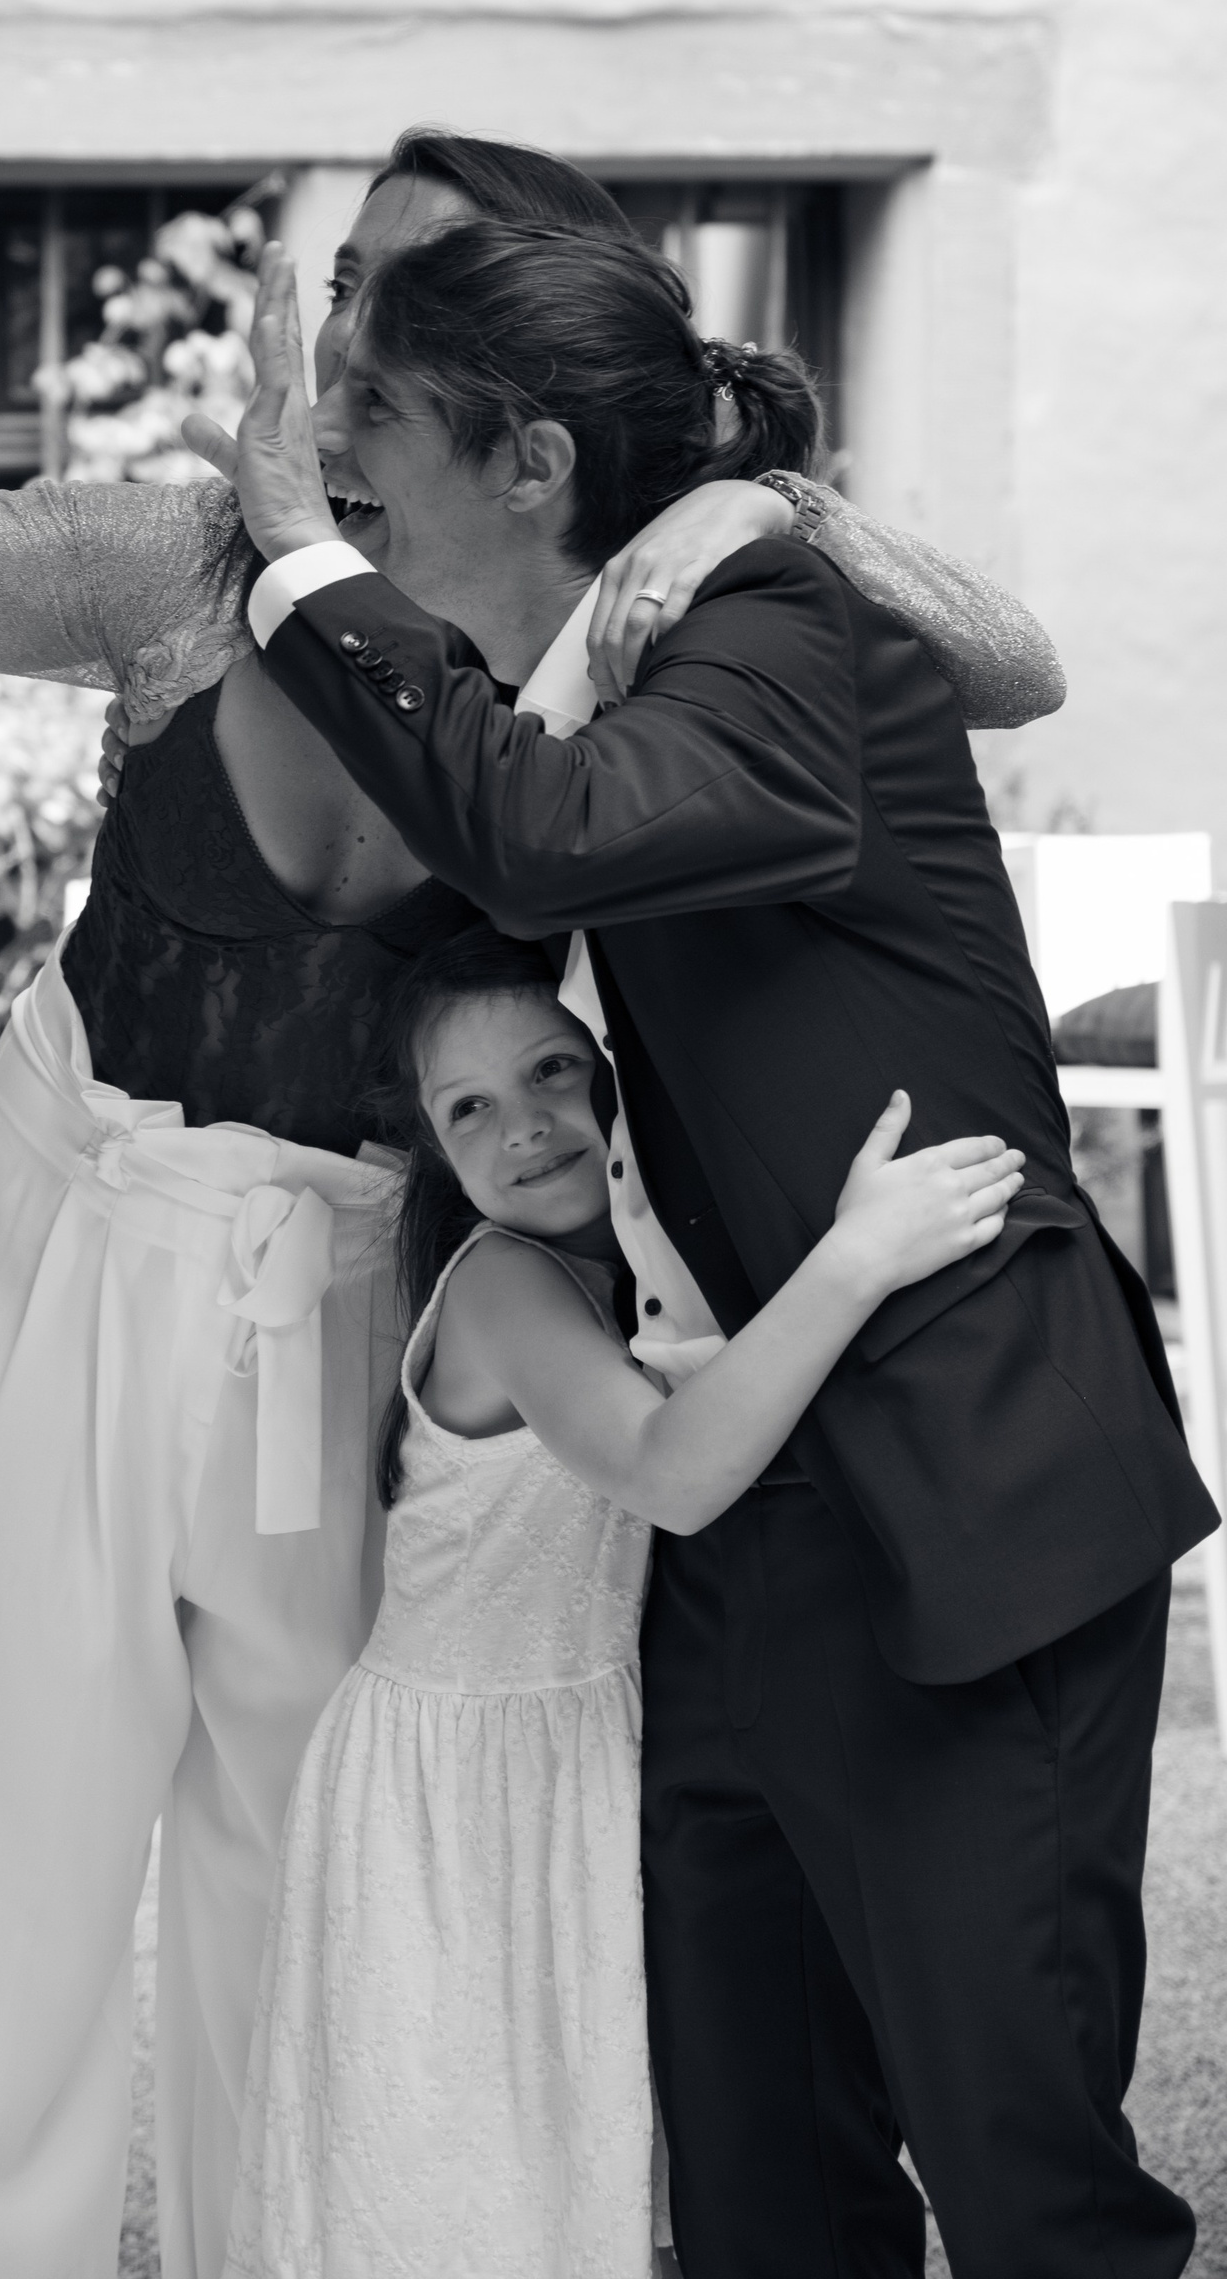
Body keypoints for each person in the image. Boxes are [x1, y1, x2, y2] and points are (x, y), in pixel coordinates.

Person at [0, 128, 1063, 2279]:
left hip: (365, 1299)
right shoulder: (172, 558)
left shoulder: (623, 609)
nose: (345, 354)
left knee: (323, 1898)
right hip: (63, 1244)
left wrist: (738, 488)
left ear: (530, 383)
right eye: (345, 293)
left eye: (414, 311)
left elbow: (1003, 663)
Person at [206, 212, 1219, 2276]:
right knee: (761, 2188)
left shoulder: (768, 630)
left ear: (533, 465)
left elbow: (549, 839)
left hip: (963, 1496)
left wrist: (304, 551)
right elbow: (413, 899)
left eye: (371, 411)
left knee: (1024, 2185)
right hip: (732, 1533)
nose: (325, 447)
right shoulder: (582, 682)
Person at [225, 928, 1026, 2279]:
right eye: (467, 1108)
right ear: (432, 1148)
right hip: (459, 1784)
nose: (522, 1128)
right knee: (464, 2171)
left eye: (550, 1071)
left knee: (587, 2149)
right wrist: (858, 1255)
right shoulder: (500, 1285)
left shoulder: (632, 1269)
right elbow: (675, 1471)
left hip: (578, 1755)